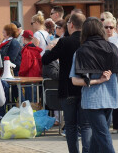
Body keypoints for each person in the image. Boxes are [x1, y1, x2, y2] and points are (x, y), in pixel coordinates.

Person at [70, 17, 118, 153]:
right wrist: (108, 80)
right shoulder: (113, 48)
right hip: (111, 97)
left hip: (92, 99)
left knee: (102, 136)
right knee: (99, 135)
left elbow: (75, 80)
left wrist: (96, 81)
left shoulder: (81, 52)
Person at [42, 13, 91, 153]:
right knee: (86, 125)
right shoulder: (88, 42)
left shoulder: (64, 42)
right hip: (85, 87)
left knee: (70, 126)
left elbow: (46, 60)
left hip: (68, 89)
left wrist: (48, 50)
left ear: (71, 25)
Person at [19, 30, 43, 102]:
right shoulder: (36, 50)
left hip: (28, 78)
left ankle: (30, 113)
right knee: (35, 100)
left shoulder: (27, 50)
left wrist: (20, 74)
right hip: (37, 77)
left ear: (24, 39)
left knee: (29, 101)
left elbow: (26, 65)